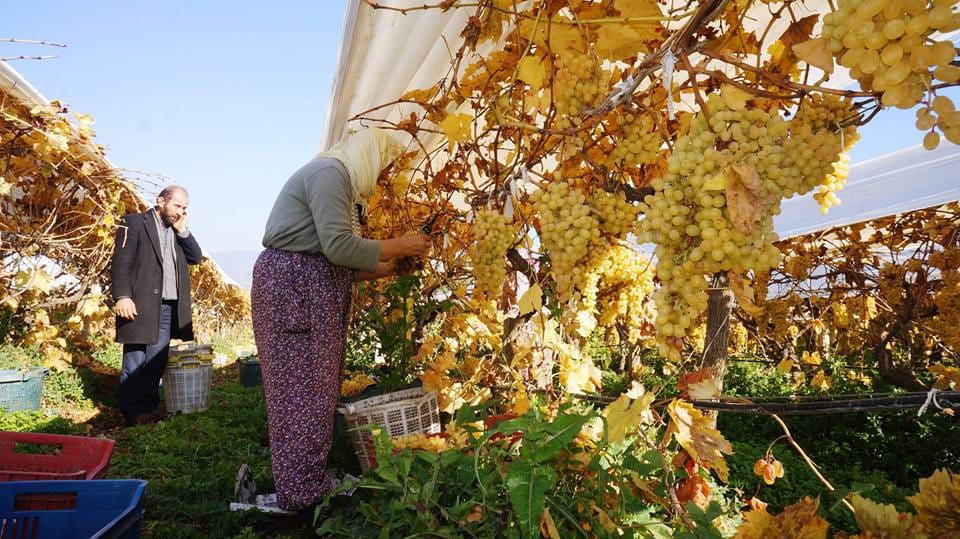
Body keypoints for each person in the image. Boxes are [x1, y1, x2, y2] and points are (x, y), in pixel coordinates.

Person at [252, 128, 430, 515]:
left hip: (304, 287)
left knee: (314, 391)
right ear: (370, 155)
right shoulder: (330, 174)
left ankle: (308, 483)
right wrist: (400, 245)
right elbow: (337, 247)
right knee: (300, 391)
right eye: (384, 166)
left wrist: (389, 268)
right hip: (294, 290)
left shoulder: (342, 185)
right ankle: (301, 495)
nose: (383, 177)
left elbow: (337, 263)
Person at [110, 186, 203, 426]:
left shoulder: (178, 230)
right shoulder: (134, 223)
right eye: (177, 206)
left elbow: (196, 257)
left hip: (167, 307)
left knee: (156, 360)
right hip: (139, 304)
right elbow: (121, 263)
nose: (181, 212)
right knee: (136, 358)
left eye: (184, 208)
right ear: (161, 201)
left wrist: (183, 231)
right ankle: (132, 412)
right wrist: (122, 296)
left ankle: (148, 409)